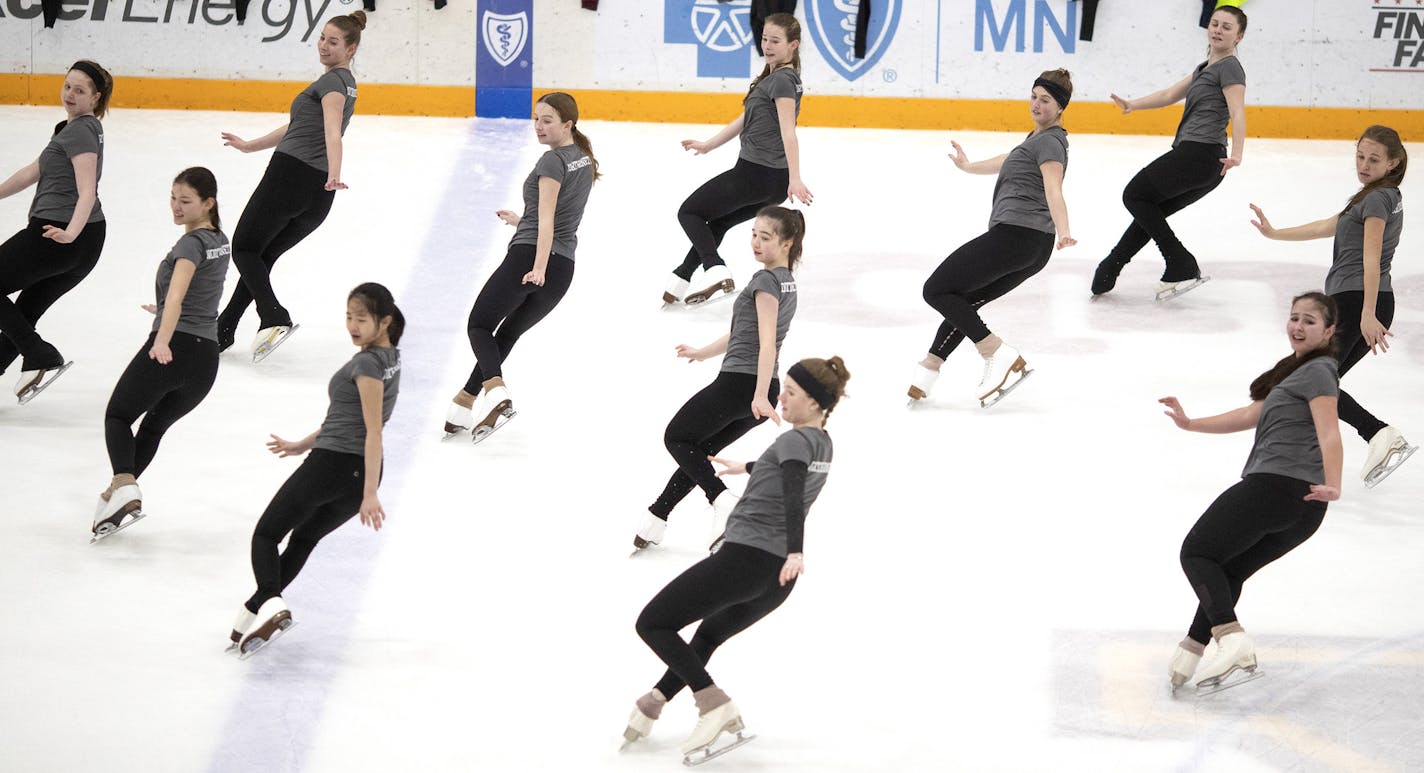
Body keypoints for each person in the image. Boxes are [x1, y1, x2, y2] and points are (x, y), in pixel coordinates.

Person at [623, 356, 849, 762]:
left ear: (816, 403)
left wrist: (798, 547)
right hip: (777, 579)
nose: (782, 397)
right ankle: (655, 701)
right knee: (706, 637)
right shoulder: (821, 443)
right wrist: (745, 466)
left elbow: (794, 492)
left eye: (792, 393)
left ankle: (713, 704)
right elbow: (788, 470)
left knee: (653, 623)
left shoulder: (793, 442)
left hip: (747, 558)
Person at [1159, 292, 1342, 693]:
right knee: (1229, 570)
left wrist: (1336, 482)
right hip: (1303, 509)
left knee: (1197, 552)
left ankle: (1232, 638)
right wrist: (1190, 423)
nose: (1298, 326)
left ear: (1329, 331)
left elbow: (1330, 430)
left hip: (1277, 487)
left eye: (1310, 321)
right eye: (1294, 318)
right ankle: (1193, 647)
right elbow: (1247, 415)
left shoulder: (1319, 373)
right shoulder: (1295, 374)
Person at [229, 283, 402, 658]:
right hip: (352, 472)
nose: (352, 326)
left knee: (266, 534)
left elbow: (373, 430)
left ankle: (272, 603)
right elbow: (349, 418)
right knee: (304, 538)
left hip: (335, 465)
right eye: (348, 317)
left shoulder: (367, 364)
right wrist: (301, 444)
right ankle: (255, 610)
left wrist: (371, 493)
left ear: (384, 321)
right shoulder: (391, 357)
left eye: (361, 318)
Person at [1248, 125, 1414, 487]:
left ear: (1393, 162)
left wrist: (1368, 313)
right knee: (1317, 379)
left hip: (1356, 302)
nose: (1364, 165)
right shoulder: (1379, 195)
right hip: (1363, 301)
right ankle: (1367, 436)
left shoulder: (1376, 199)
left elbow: (1371, 257)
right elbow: (1329, 225)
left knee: (1308, 377)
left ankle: (1376, 433)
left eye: (1373, 159)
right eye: (1360, 156)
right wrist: (1275, 233)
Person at [633, 206, 804, 551]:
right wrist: (702, 352)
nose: (755, 242)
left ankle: (722, 501)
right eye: (753, 234)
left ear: (787, 243)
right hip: (759, 387)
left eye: (765, 237)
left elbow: (767, 343)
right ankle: (657, 518)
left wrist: (756, 394)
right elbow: (743, 332)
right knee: (701, 452)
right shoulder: (787, 281)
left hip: (743, 384)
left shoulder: (766, 282)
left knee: (677, 437)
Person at [906, 69, 1075, 409]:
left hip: (1018, 236)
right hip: (1031, 245)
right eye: (1034, 96)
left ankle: (996, 352)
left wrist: (1066, 229)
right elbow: (1008, 160)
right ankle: (931, 366)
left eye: (1046, 100)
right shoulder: (1035, 141)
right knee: (965, 300)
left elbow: (1053, 187)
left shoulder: (1051, 143)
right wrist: (968, 166)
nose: (1037, 105)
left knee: (936, 289)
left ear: (1060, 107)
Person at [442, 92, 598, 443]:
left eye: (547, 120)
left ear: (567, 124)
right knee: (506, 335)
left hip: (531, 259)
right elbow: (559, 218)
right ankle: (464, 402)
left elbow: (546, 222)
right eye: (536, 118)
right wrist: (520, 221)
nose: (539, 126)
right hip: (564, 269)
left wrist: (537, 266)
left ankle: (495, 391)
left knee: (479, 325)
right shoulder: (583, 160)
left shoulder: (552, 162)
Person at [216, 11, 366, 362]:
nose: (324, 46)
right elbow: (299, 125)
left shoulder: (332, 84)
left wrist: (336, 171)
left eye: (334, 42)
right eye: (322, 38)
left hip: (291, 176)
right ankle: (224, 329)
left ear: (351, 48)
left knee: (243, 248)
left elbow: (333, 131)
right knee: (262, 256)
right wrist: (250, 145)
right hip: (316, 194)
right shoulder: (344, 83)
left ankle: (273, 315)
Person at [92, 168, 231, 542]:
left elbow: (178, 294)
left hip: (177, 347)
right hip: (206, 361)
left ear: (208, 203)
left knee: (118, 415)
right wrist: (165, 311)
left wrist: (162, 338)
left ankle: (124, 485)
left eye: (186, 201)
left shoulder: (190, 245)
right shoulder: (221, 240)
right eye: (173, 197)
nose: (176, 207)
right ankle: (119, 495)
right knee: (152, 427)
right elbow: (203, 293)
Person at [1091, 5, 1248, 301]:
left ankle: (1179, 260)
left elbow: (1237, 111)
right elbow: (1167, 95)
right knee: (1151, 211)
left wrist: (1238, 153)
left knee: (1134, 195)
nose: (1217, 30)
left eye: (1227, 27)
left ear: (1238, 36)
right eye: (1214, 24)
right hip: (1204, 162)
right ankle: (1112, 265)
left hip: (1200, 154)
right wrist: (1132, 104)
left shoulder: (1229, 67)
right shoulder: (1205, 68)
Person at [660, 12, 811, 308]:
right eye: (765, 38)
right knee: (716, 223)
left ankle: (715, 269)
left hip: (757, 175)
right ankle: (682, 276)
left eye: (775, 41)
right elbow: (745, 119)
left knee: (689, 212)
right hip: (771, 181)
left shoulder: (782, 81)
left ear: (793, 45)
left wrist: (796, 177)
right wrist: (708, 145)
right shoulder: (775, 77)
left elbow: (789, 133)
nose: (767, 45)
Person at [0, 59, 113, 402]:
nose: (70, 94)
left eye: (80, 90)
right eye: (67, 86)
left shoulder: (81, 131)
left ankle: (41, 354)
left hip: (60, 233)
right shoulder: (72, 128)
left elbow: (87, 189)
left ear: (95, 98)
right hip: (83, 241)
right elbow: (34, 170)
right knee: (26, 310)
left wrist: (70, 232)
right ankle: (33, 354)